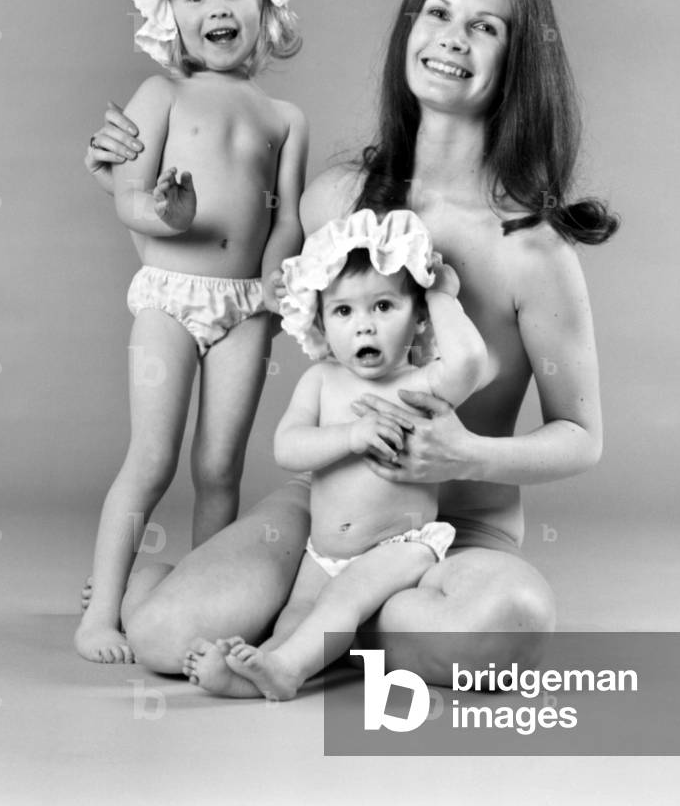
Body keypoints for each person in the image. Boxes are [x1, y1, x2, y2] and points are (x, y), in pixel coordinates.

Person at [85, 0, 618, 682]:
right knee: (163, 637)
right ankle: (315, 617)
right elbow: (221, 271)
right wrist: (121, 180)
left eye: (483, 26)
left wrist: (467, 453)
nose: (450, 40)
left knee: (514, 617)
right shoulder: (337, 199)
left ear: (518, 60)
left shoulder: (531, 250)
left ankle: (315, 624)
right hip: (323, 510)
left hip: (453, 532)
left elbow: (581, 435)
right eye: (436, 13)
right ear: (410, 28)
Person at [75, 0, 308, 664]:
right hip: (172, 296)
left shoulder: (285, 117)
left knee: (220, 467)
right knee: (152, 457)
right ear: (167, 12)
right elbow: (127, 195)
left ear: (266, 6)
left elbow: (285, 222)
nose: (218, 7)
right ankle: (102, 612)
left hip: (245, 309)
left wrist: (277, 286)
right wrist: (164, 213)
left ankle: (207, 602)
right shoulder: (161, 95)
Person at [183, 209, 490, 699]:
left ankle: (286, 672)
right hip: (323, 551)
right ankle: (259, 675)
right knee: (297, 616)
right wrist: (351, 434)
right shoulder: (321, 381)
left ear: (418, 319)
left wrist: (441, 293)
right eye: (344, 311)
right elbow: (288, 447)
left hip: (400, 545)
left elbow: (471, 362)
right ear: (320, 322)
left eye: (384, 307)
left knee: (340, 602)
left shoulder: (420, 381)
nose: (363, 327)